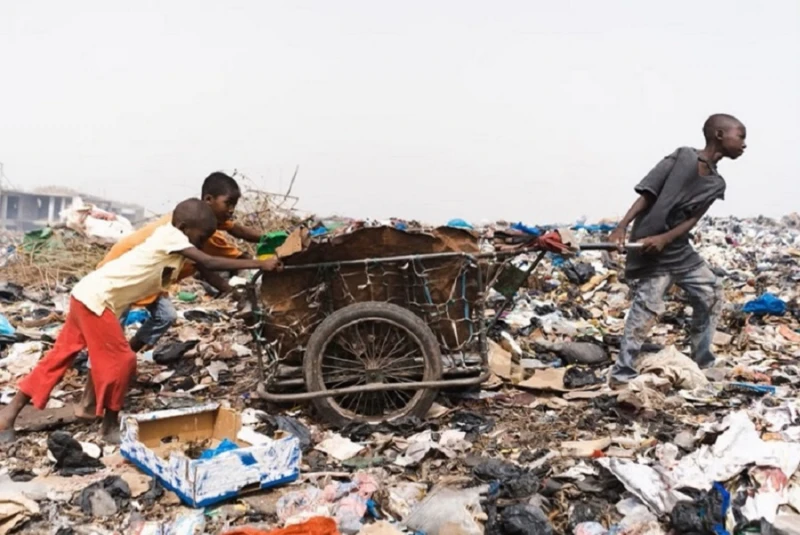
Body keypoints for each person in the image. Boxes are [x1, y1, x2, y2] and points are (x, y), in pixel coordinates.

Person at [0, 199, 280, 444]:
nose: (202, 241)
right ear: (183, 226)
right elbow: (210, 261)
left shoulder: (178, 242)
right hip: (98, 300)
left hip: (88, 294)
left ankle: (8, 416)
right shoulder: (171, 237)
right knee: (122, 361)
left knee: (59, 357)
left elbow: (208, 269)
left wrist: (236, 291)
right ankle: (109, 426)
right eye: (201, 235)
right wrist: (260, 264)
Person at [75, 172, 264, 418]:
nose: (231, 210)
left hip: (151, 282)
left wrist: (268, 242)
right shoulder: (195, 229)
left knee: (164, 316)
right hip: (118, 279)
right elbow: (216, 263)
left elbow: (230, 240)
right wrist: (265, 263)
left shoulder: (204, 225)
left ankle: (124, 362)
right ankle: (89, 400)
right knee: (106, 342)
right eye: (228, 203)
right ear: (208, 200)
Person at [607, 114, 747, 386]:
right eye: (740, 136)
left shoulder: (717, 183)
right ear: (719, 135)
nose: (744, 144)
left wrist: (666, 238)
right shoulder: (682, 157)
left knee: (712, 292)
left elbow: (691, 220)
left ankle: (702, 361)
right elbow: (648, 193)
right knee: (646, 310)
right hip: (650, 250)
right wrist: (621, 227)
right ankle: (622, 373)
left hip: (678, 250)